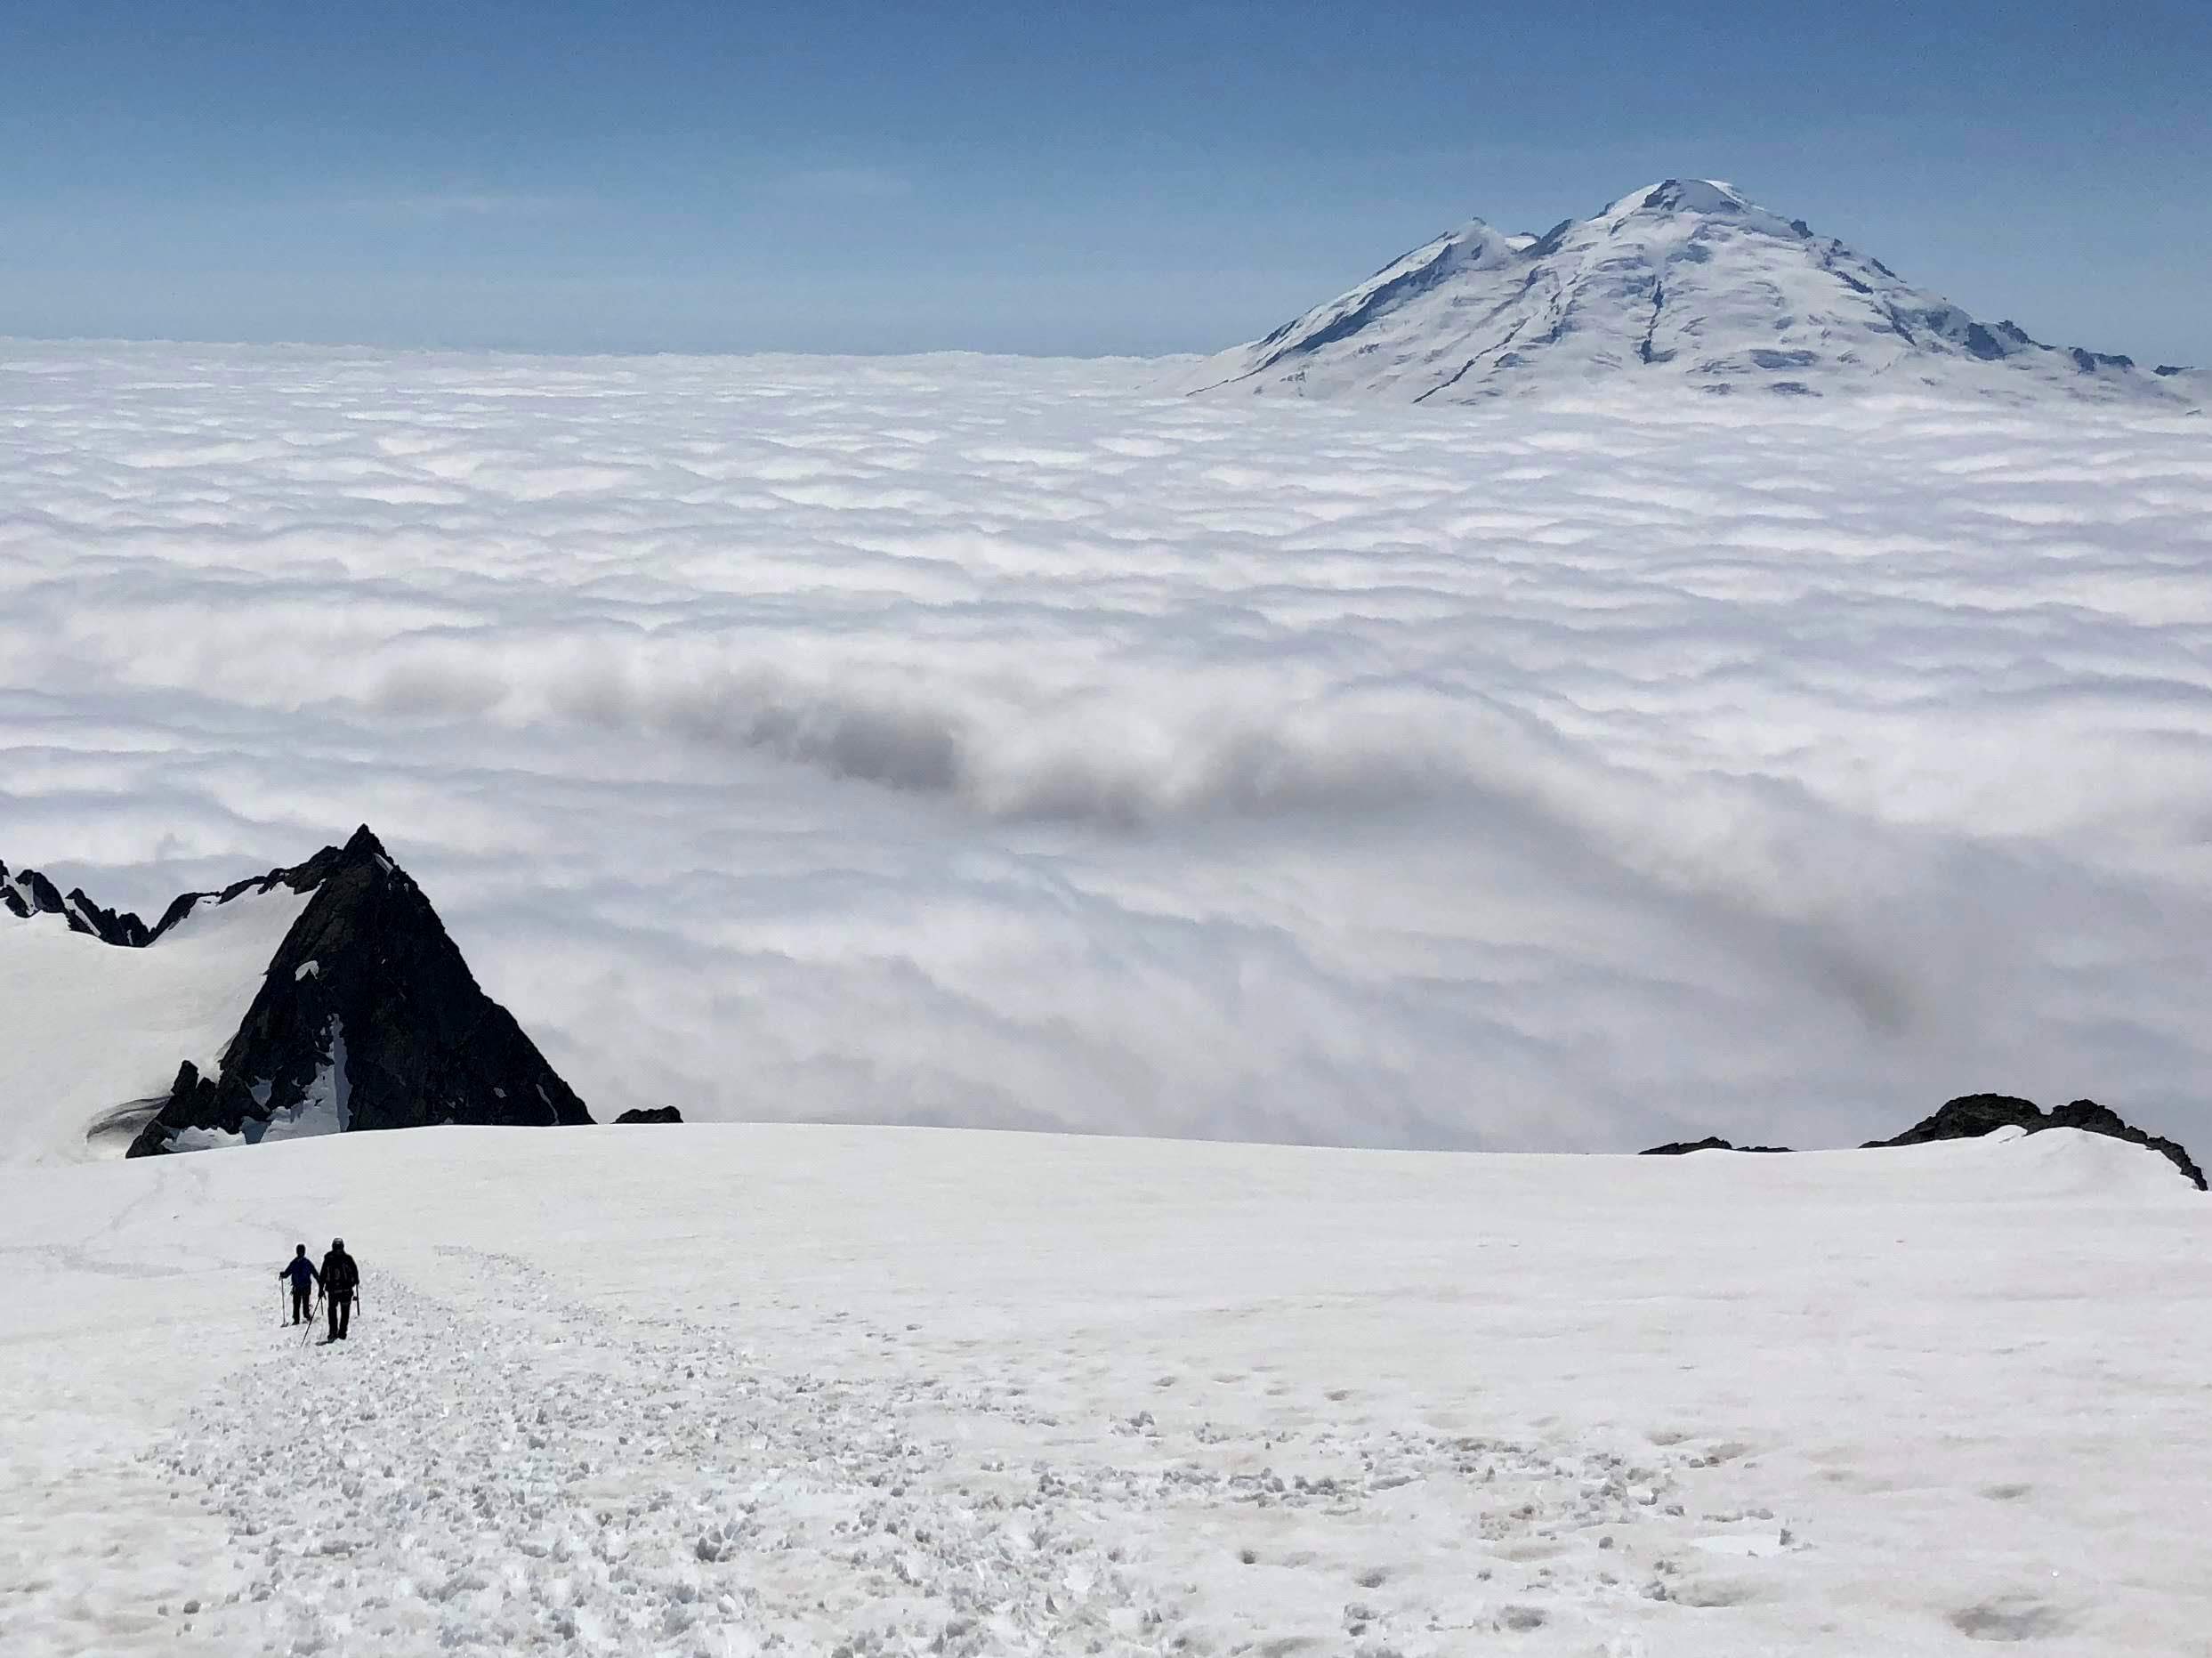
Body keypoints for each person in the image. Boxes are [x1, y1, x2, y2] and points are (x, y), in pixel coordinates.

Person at [319, 1237, 360, 1342]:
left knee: (332, 1310)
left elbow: (323, 1275)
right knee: (344, 1311)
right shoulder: (347, 1259)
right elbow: (355, 1273)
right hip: (346, 1290)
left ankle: (333, 1332)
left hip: (333, 1290)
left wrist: (321, 1289)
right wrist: (355, 1281)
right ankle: (342, 1332)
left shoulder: (328, 1259)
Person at [278, 1244, 319, 1325]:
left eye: (301, 1251)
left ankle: (305, 1316)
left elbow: (315, 1273)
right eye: (299, 1251)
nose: (300, 1253)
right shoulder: (297, 1263)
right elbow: (288, 1272)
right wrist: (284, 1275)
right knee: (297, 1304)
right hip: (298, 1287)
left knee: (304, 1303)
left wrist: (320, 1280)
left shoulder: (304, 1263)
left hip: (305, 1286)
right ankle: (297, 1319)